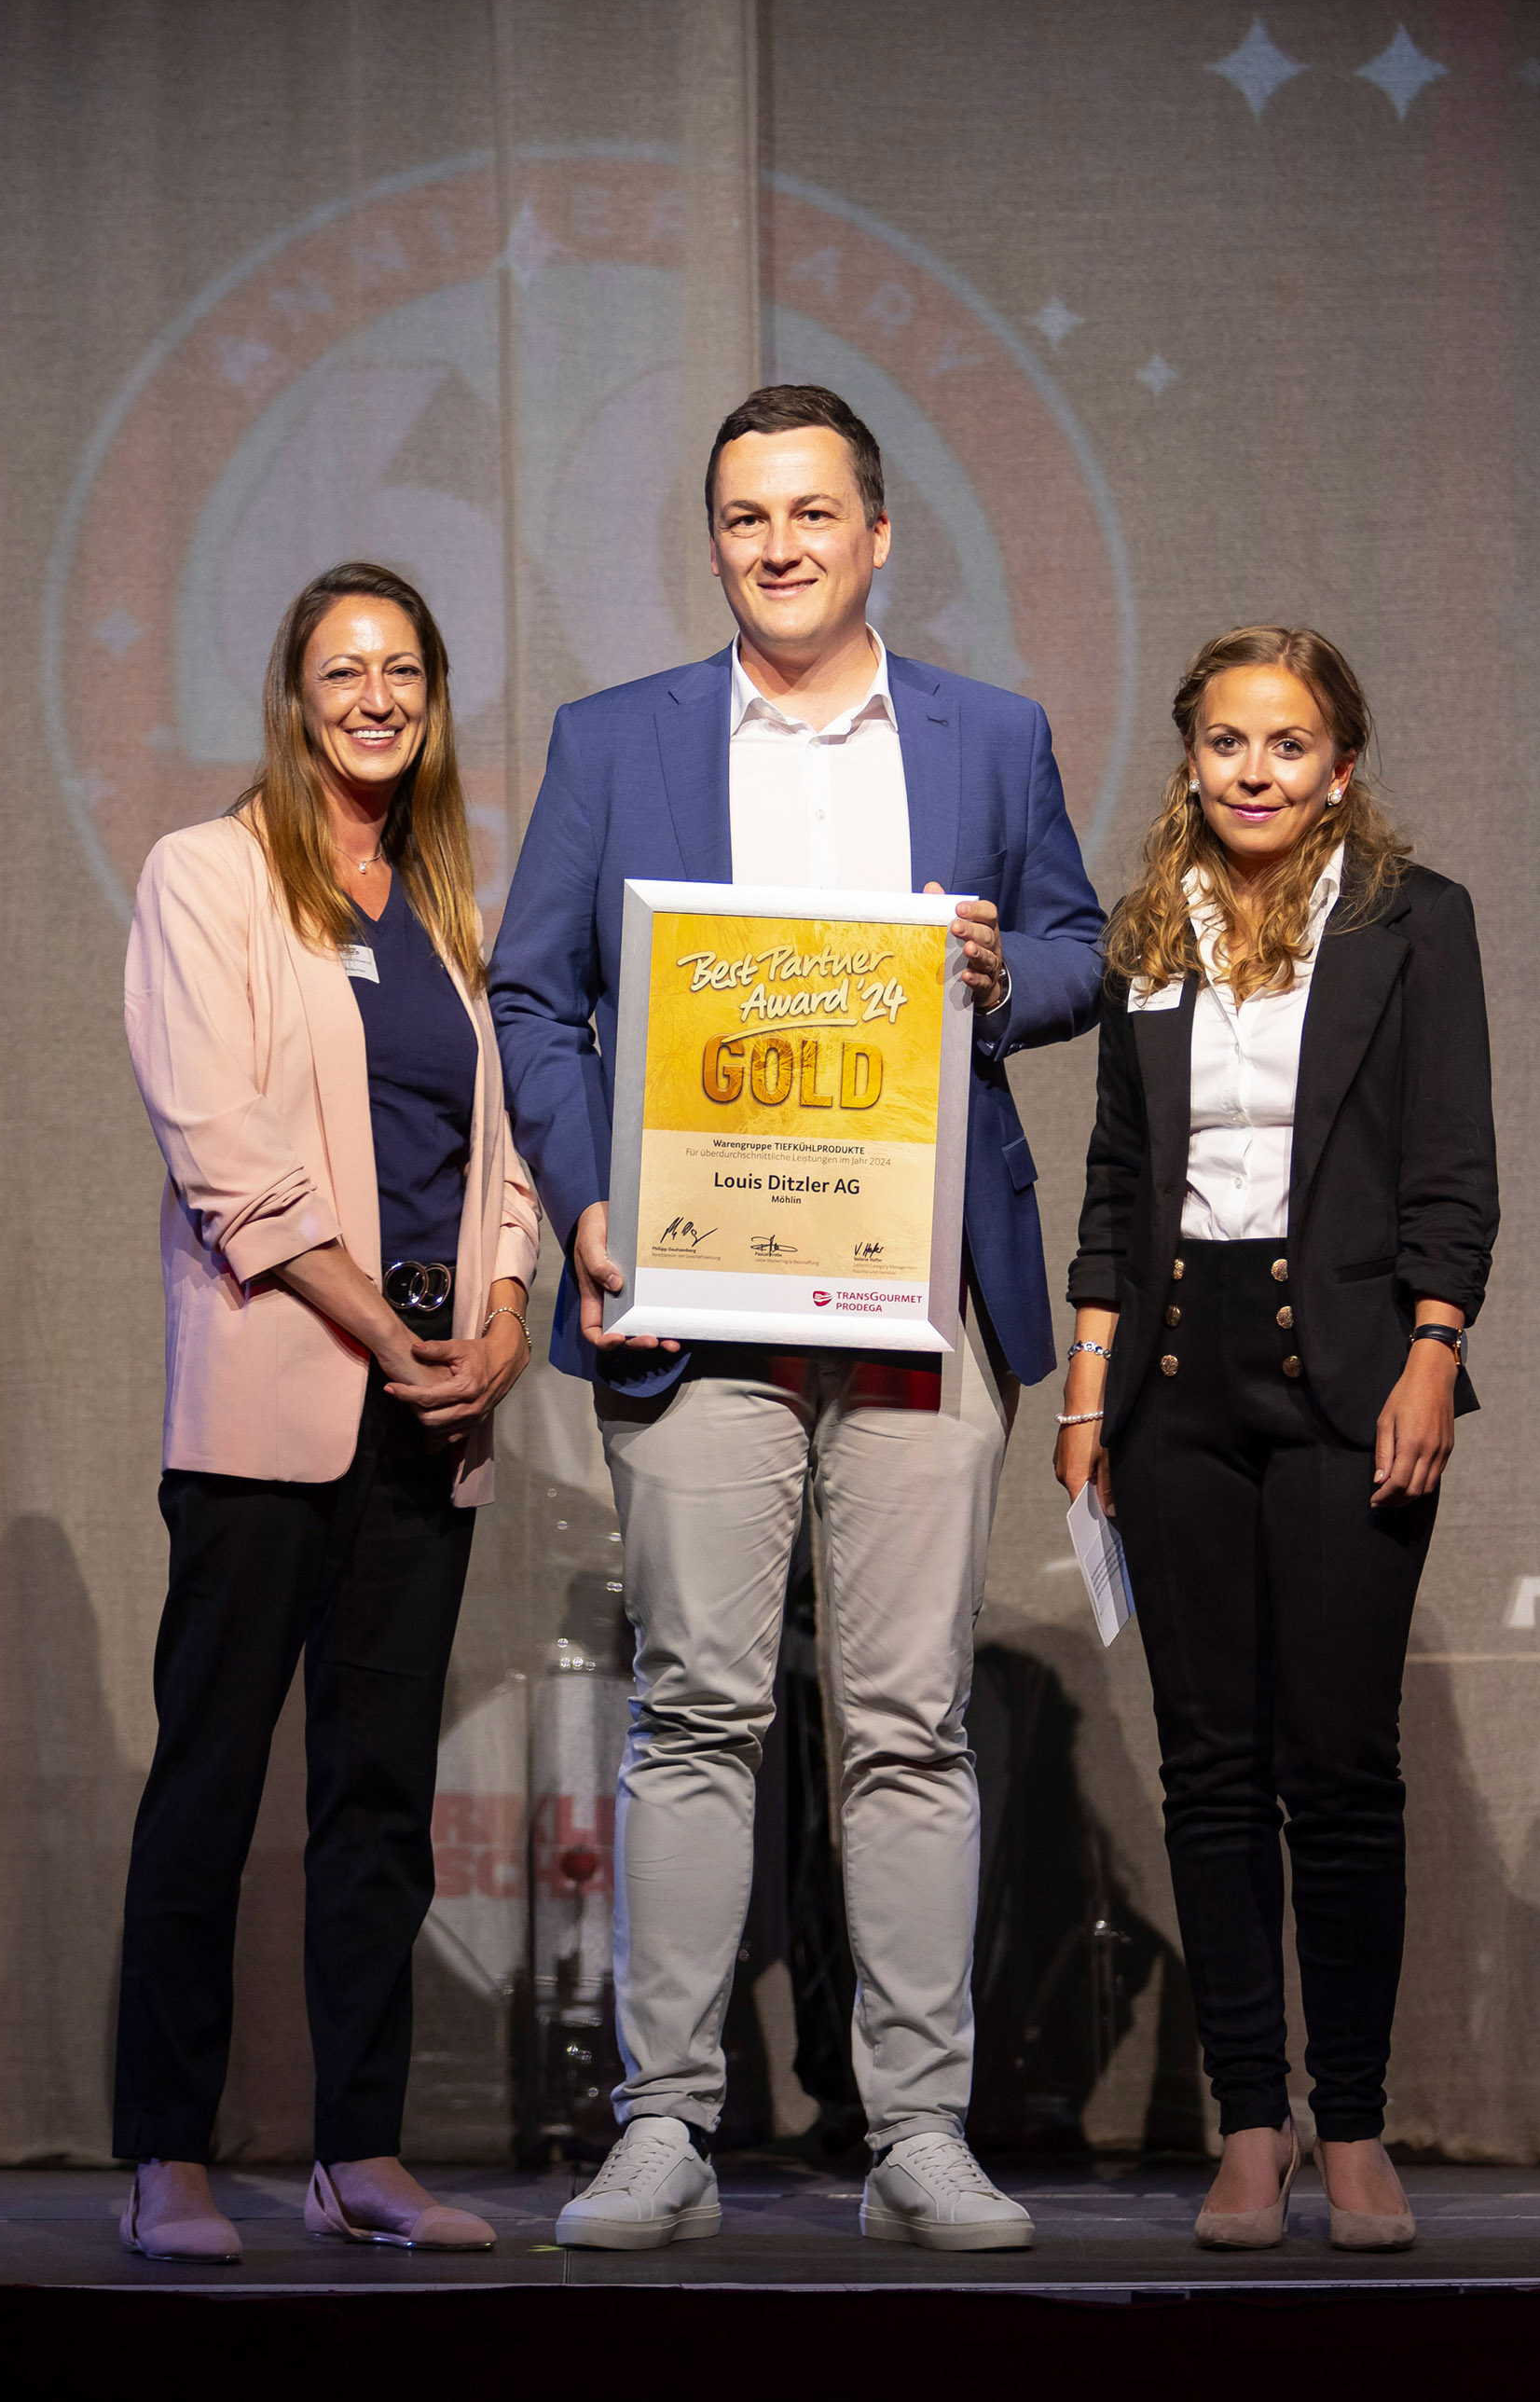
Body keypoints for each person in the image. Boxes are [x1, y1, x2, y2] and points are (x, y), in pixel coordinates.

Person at [490, 384, 1103, 2251]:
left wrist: (1002, 972)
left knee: (908, 1720)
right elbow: (536, 995)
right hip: (691, 1293)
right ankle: (666, 2118)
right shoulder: (617, 743)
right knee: (694, 1711)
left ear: (879, 534)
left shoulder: (991, 739)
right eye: (746, 518)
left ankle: (916, 2123)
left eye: (811, 514)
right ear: (716, 544)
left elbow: (1081, 944)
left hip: (917, 1294)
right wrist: (591, 1205)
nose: (779, 546)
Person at [114, 560, 539, 2261]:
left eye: (405, 672)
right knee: (212, 1784)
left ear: (432, 700)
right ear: (293, 694)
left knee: (376, 1797)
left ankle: (359, 2150)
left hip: (429, 1417)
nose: (375, 696)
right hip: (275, 1412)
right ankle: (166, 2157)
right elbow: (227, 1151)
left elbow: (494, 1151)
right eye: (343, 669)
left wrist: (500, 1311)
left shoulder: (442, 899)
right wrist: (391, 1332)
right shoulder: (206, 877)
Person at [1055, 626, 1497, 2251]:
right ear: (1189, 758)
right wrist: (1089, 1391)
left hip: (1352, 1365)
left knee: (1340, 1762)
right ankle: (1253, 2123)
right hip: (1178, 1375)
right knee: (1213, 1767)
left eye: (1288, 744)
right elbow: (1114, 1186)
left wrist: (1434, 1348)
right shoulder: (1141, 935)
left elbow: (1453, 1161)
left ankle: (1357, 2125)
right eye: (1228, 743)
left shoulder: (1410, 922)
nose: (1255, 771)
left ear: (1339, 765)